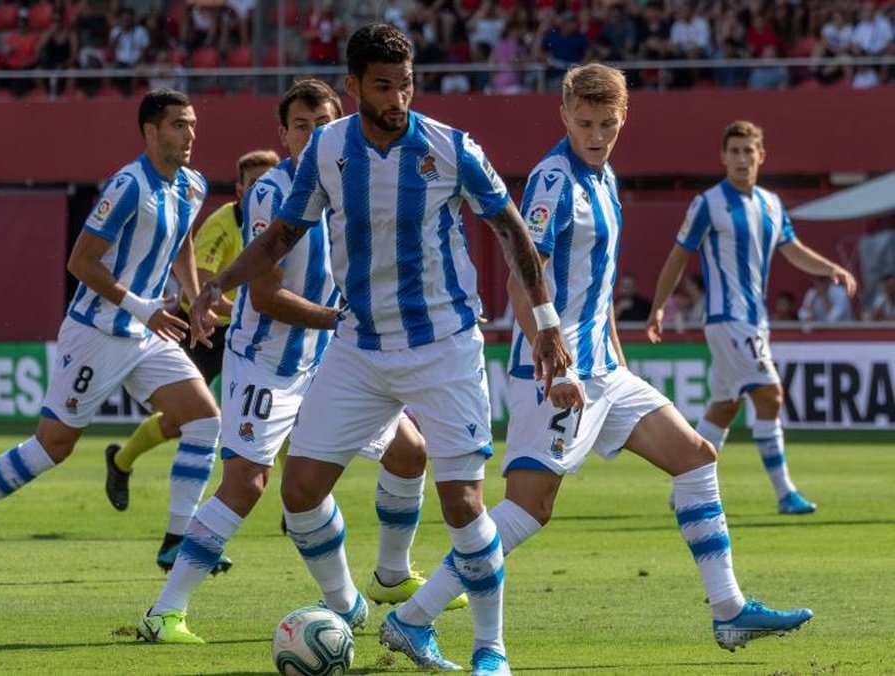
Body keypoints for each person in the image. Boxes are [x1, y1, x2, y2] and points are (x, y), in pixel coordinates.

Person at [381, 65, 814, 671]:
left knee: (695, 458)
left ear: (622, 120)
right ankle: (413, 616)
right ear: (564, 116)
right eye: (584, 123)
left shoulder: (605, 179)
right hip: (558, 374)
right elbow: (519, 278)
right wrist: (552, 363)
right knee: (529, 509)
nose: (596, 135)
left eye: (607, 125)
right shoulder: (553, 181)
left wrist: (619, 361)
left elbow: (602, 286)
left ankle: (729, 609)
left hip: (606, 371)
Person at [191, 24, 569, 676]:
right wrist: (216, 287)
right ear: (355, 86)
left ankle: (490, 650)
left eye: (407, 84)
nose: (398, 98)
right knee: (300, 490)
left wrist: (547, 322)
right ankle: (349, 605)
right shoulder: (329, 150)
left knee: (464, 504)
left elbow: (512, 233)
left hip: (444, 346)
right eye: (383, 86)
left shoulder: (451, 148)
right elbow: (281, 237)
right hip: (359, 346)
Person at [137, 77, 465, 645]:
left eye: (322, 125)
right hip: (266, 362)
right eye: (300, 127)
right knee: (247, 483)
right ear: (283, 134)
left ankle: (387, 577)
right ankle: (165, 611)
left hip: (329, 363)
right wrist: (339, 318)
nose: (312, 136)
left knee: (409, 453)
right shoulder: (271, 192)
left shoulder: (356, 179)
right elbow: (265, 296)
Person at [0, 90, 222, 580]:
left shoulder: (192, 186)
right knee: (52, 447)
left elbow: (183, 240)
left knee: (206, 421)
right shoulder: (127, 186)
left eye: (191, 124)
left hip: (146, 335)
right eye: (178, 126)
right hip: (97, 332)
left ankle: (176, 540)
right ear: (151, 132)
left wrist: (192, 296)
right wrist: (142, 306)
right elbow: (79, 262)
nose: (190, 135)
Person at [646, 120, 857, 514]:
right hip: (728, 318)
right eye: (735, 151)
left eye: (749, 151)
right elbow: (679, 255)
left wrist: (830, 268)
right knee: (770, 395)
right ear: (723, 157)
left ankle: (685, 489)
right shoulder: (707, 203)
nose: (742, 158)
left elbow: (792, 249)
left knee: (725, 408)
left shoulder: (772, 204)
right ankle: (785, 494)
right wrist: (659, 304)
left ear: (761, 156)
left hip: (754, 320)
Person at [103, 148, 279, 573]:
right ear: (239, 191)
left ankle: (293, 509)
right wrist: (246, 312)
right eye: (254, 185)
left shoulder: (287, 224)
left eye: (268, 183)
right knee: (188, 421)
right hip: (206, 331)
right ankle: (121, 461)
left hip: (257, 334)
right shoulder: (220, 226)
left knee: (276, 414)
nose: (263, 191)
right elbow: (192, 295)